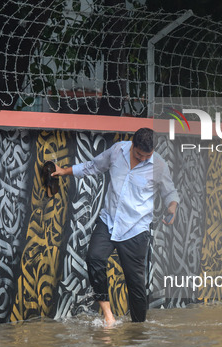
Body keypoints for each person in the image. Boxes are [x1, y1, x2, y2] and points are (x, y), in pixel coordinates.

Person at [52, 128, 179, 326]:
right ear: (132, 146)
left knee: (135, 285)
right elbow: (93, 167)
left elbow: (169, 192)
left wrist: (172, 207)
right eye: (139, 154)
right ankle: (108, 315)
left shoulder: (159, 165)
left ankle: (138, 331)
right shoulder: (117, 151)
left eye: (148, 155)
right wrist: (64, 171)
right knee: (94, 258)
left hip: (135, 229)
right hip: (109, 221)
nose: (144, 158)